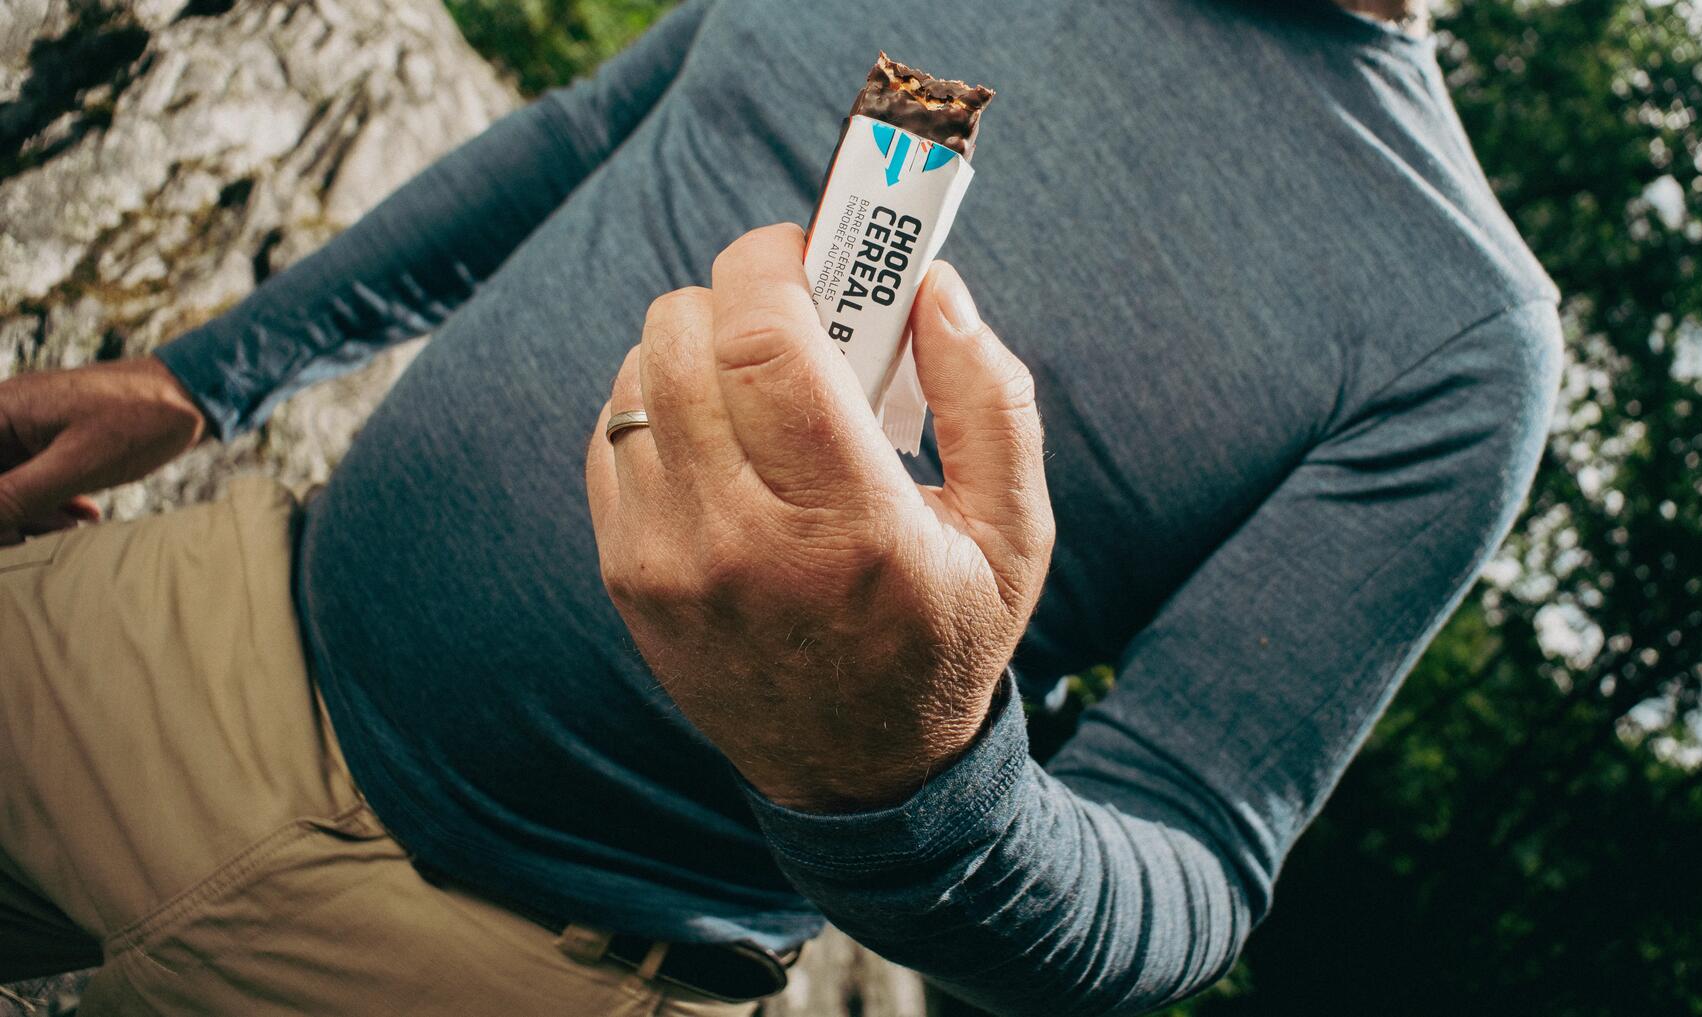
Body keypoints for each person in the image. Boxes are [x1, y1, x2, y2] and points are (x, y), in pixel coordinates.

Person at [0, 0, 1561, 1014]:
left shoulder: (1463, 331)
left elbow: (1192, 868)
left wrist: (911, 772)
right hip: (180, 627)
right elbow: (583, 138)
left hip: (517, 973)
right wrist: (200, 378)